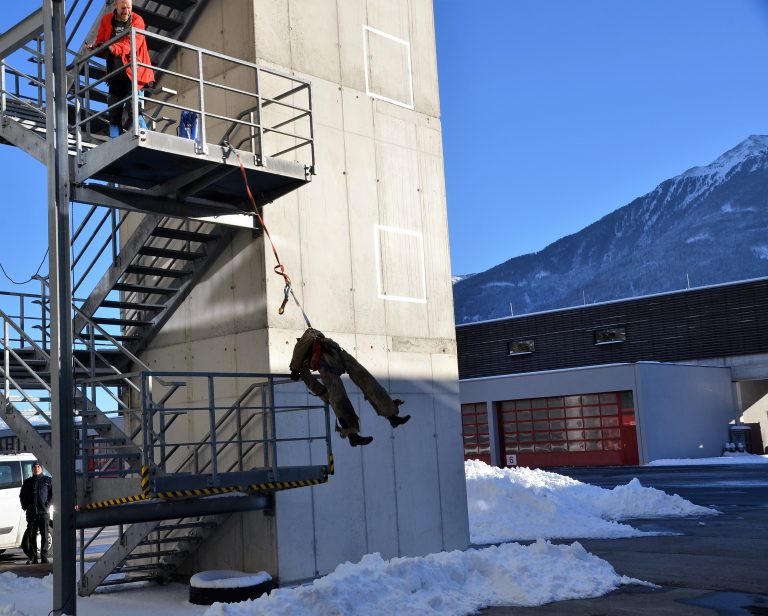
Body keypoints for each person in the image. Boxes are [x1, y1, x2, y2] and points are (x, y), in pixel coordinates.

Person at [290, 328, 411, 447]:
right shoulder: (305, 357)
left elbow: (309, 335)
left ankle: (391, 415)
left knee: (364, 381)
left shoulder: (308, 341)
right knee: (341, 397)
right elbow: (311, 382)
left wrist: (294, 368)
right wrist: (325, 395)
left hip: (337, 356)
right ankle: (354, 434)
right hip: (329, 363)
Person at [85, 0, 155, 138]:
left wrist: (112, 47)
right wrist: (95, 48)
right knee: (114, 111)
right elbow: (101, 42)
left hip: (134, 72)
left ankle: (146, 137)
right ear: (115, 5)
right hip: (115, 73)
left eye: (129, 7)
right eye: (123, 8)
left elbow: (130, 44)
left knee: (133, 108)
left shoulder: (137, 20)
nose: (126, 11)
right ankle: (114, 139)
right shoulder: (106, 20)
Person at [19, 462, 52, 564]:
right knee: (32, 535)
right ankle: (33, 557)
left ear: (41, 469)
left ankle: (44, 556)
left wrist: (47, 505)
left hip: (44, 513)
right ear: (32, 469)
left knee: (45, 535)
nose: (36, 469)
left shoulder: (47, 480)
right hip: (32, 513)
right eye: (34, 467)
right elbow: (22, 496)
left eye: (38, 467)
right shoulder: (28, 482)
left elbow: (52, 494)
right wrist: (24, 506)